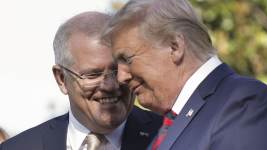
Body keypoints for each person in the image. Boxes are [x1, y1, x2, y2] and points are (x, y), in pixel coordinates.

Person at [102, 0, 267, 150]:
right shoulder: (168, 126)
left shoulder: (245, 105)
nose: (121, 77)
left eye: (126, 59)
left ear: (175, 47)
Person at [0, 11, 162, 150]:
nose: (110, 85)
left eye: (117, 70)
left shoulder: (171, 135)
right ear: (61, 79)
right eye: (93, 74)